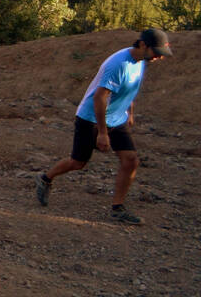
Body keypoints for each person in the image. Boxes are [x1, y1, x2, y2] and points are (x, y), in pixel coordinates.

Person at [35, 29, 173, 224]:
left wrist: (129, 112)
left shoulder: (141, 61)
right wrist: (102, 133)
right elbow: (100, 97)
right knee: (78, 162)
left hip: (117, 119)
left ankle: (118, 209)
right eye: (156, 52)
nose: (159, 57)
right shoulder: (118, 64)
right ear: (143, 45)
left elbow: (129, 89)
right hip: (91, 118)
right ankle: (45, 178)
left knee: (131, 160)